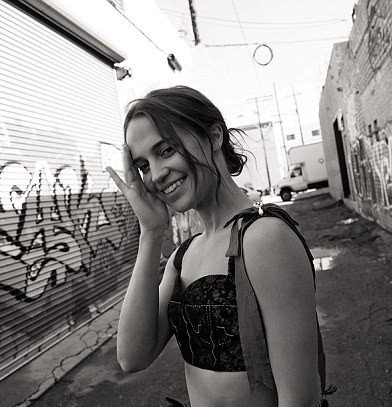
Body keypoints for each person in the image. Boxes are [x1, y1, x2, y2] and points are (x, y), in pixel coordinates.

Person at [106, 86, 332, 407]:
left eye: (166, 150)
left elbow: (301, 400)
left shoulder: (264, 238)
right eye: (143, 165)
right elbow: (132, 357)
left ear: (214, 137)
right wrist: (151, 231)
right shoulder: (183, 257)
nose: (155, 175)